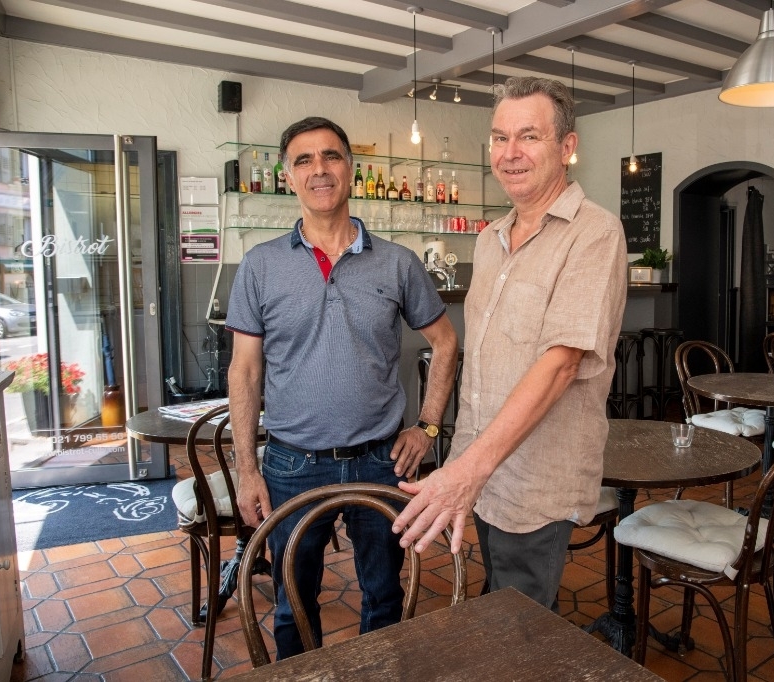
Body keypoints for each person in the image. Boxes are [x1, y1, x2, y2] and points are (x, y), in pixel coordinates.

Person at [226, 116, 458, 658]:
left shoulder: (397, 262)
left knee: (383, 598)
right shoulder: (260, 266)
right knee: (293, 604)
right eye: (303, 160)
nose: (319, 170)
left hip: (381, 460)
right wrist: (246, 469)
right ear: (287, 176)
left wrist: (426, 427)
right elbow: (244, 372)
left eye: (330, 156)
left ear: (351, 170)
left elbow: (445, 344)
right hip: (291, 464)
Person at [392, 77, 628, 609]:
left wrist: (463, 473)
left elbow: (562, 364)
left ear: (566, 148)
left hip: (535, 478)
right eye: (499, 138)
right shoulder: (489, 237)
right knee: (496, 604)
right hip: (481, 470)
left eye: (529, 137)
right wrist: (467, 465)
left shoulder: (594, 232)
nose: (510, 153)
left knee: (519, 627)